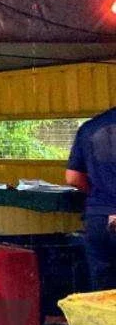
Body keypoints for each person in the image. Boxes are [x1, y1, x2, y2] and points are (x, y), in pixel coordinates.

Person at [65, 106, 116, 290]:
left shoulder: (90, 127)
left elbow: (72, 177)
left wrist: (99, 191)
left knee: (103, 291)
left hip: (99, 219)